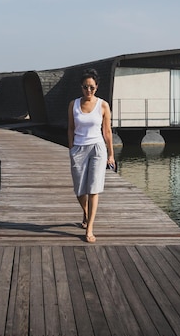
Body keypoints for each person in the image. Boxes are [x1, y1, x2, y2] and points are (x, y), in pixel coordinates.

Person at [67, 68, 115, 243]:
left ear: (97, 87)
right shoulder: (74, 104)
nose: (88, 91)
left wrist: (111, 155)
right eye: (85, 87)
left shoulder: (103, 105)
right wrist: (71, 148)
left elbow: (107, 132)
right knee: (80, 189)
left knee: (93, 189)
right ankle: (86, 213)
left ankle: (90, 228)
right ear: (81, 87)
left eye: (92, 88)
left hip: (97, 149)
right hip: (78, 148)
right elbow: (71, 128)